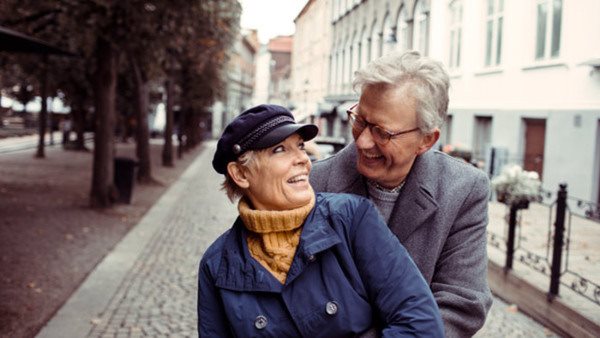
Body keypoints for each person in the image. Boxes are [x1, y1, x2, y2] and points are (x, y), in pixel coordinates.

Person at [198, 104, 444, 337]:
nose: (303, 160)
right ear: (240, 173)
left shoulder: (351, 218)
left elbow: (419, 322)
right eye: (280, 150)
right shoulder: (216, 264)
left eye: (301, 146)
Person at [310, 51, 493, 337]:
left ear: (426, 140)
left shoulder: (464, 189)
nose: (363, 140)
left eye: (382, 132)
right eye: (360, 120)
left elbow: (461, 303)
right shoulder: (314, 182)